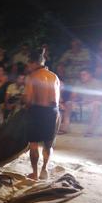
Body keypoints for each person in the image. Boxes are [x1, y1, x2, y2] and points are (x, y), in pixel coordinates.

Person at [24, 48, 60, 180]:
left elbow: (28, 100)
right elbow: (56, 99)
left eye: (28, 64)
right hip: (53, 112)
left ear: (33, 63)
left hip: (37, 111)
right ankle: (44, 170)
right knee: (48, 144)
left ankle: (35, 173)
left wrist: (25, 107)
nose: (28, 67)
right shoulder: (54, 76)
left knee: (33, 144)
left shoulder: (32, 77)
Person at [59, 68, 102, 136]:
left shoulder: (97, 83)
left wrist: (90, 100)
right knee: (69, 103)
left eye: (84, 75)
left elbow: (101, 97)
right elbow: (73, 96)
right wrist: (78, 100)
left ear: (90, 75)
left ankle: (91, 129)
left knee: (96, 104)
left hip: (93, 103)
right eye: (81, 75)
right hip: (82, 103)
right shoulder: (78, 83)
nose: (81, 76)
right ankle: (65, 127)